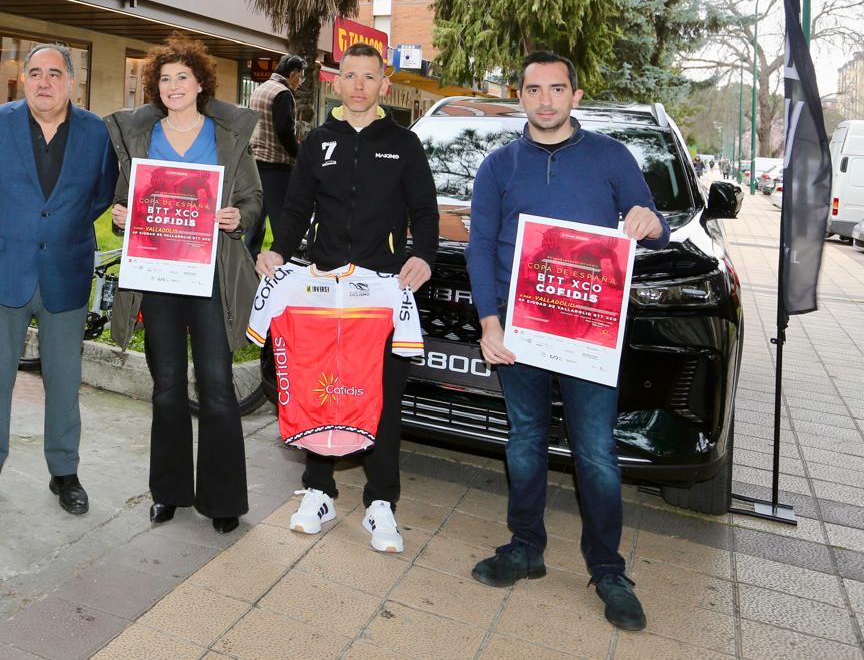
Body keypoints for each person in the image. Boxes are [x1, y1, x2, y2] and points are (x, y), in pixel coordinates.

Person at [465, 50, 668, 632]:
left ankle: (607, 570)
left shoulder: (611, 156)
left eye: (557, 88)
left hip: (589, 332)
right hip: (520, 331)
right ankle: (525, 548)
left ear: (576, 96)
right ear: (520, 97)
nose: (546, 100)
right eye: (534, 89)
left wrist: (650, 222)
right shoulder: (499, 166)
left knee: (596, 452)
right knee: (525, 440)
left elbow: (653, 225)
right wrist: (489, 322)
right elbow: (480, 247)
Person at [256, 42, 438, 552]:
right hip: (325, 290)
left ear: (384, 84)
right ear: (337, 82)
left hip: (382, 294)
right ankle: (319, 490)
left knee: (383, 396)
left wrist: (423, 256)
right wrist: (278, 251)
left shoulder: (403, 143)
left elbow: (425, 210)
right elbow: (296, 208)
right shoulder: (318, 141)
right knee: (322, 389)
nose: (359, 85)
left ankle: (381, 502)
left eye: (369, 76)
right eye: (351, 75)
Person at [0, 44, 119, 514]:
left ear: (72, 82)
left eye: (55, 74)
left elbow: (102, 193)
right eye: (36, 73)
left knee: (64, 381)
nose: (44, 82)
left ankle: (65, 473)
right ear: (23, 79)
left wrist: (62, 228)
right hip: (2, 270)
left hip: (66, 271)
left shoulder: (96, 132)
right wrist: (2, 226)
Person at [105, 35, 262, 534]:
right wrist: (120, 215)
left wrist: (238, 217)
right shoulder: (140, 137)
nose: (173, 86)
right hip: (158, 276)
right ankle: (169, 492)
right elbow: (123, 199)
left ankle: (223, 499)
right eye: (165, 79)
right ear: (157, 87)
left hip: (209, 277)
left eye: (182, 77)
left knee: (216, 385)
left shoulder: (226, 136)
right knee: (167, 386)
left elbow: (253, 198)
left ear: (199, 84)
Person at [245, 55, 309, 257]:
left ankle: (249, 261)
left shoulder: (261, 88)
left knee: (256, 219)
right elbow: (284, 130)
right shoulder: (283, 93)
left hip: (255, 163)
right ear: (293, 74)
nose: (301, 82)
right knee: (282, 220)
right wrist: (298, 154)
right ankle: (282, 261)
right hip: (276, 166)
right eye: (301, 77)